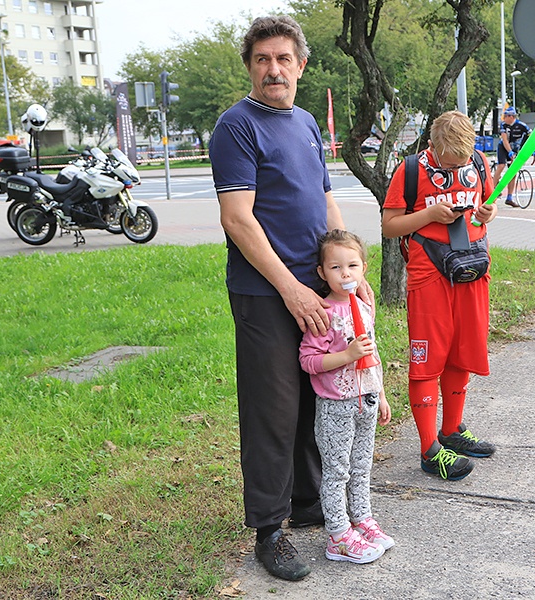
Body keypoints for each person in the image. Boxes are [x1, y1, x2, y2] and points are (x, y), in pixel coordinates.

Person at [210, 14, 371, 582]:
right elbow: (238, 218)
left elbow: (324, 198)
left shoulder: (304, 121)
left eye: (283, 58)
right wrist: (290, 287)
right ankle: (270, 529)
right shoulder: (236, 126)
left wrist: (348, 268)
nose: (273, 69)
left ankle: (306, 499)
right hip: (265, 291)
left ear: (301, 65)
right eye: (262, 59)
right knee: (273, 410)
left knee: (316, 395)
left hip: (315, 288)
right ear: (250, 67)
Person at [381, 110, 499, 482]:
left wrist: (487, 212)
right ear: (432, 147)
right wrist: (430, 213)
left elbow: (483, 211)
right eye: (448, 164)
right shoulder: (411, 171)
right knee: (428, 357)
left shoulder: (477, 161)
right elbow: (389, 226)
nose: (455, 169)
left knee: (462, 349)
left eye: (461, 163)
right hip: (429, 273)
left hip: (471, 268)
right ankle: (430, 449)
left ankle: (452, 431)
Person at [299, 229, 394, 565]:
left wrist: (379, 393)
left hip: (365, 400)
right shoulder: (323, 314)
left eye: (352, 266)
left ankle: (362, 520)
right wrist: (346, 355)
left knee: (361, 467)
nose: (345, 274)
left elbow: (374, 354)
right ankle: (338, 535)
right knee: (337, 471)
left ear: (364, 268)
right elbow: (308, 361)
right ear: (322, 273)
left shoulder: (364, 307)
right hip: (336, 404)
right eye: (336, 268)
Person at [494, 106, 532, 207]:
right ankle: (493, 189)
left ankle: (509, 197)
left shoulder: (521, 125)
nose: (504, 118)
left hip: (515, 148)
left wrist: (532, 150)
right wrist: (510, 152)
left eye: (505, 116)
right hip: (503, 147)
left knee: (513, 172)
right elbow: (505, 140)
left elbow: (530, 136)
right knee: (501, 166)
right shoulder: (503, 125)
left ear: (511, 116)